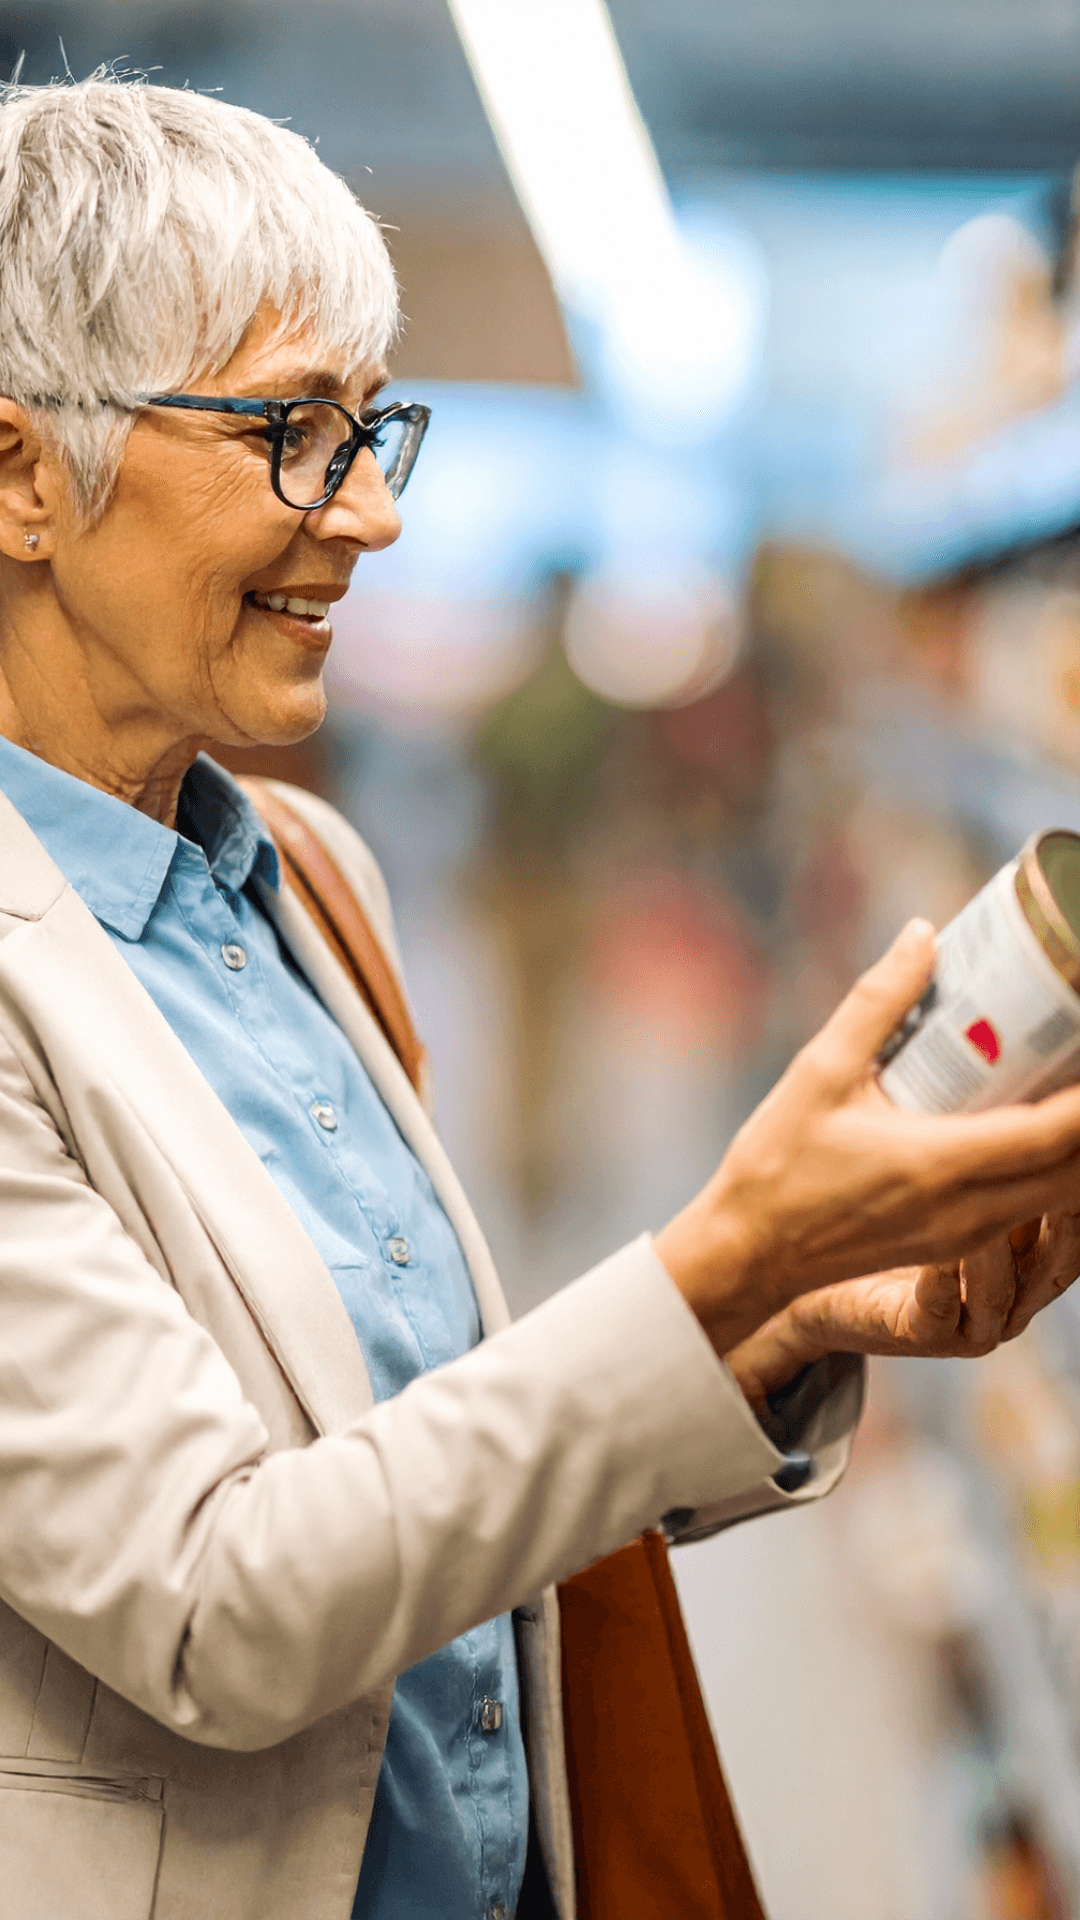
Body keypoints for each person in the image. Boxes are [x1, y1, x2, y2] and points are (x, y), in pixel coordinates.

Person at [0, 75, 1078, 1920]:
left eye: (372, 430)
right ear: (26, 475)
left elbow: (419, 1452)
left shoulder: (311, 886)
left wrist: (792, 1314)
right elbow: (220, 1600)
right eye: (291, 432)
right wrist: (713, 1260)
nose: (373, 516)